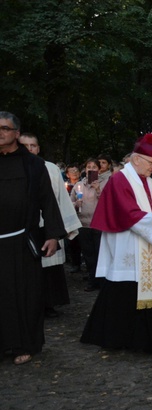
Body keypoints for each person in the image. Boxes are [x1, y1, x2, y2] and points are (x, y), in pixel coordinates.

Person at [81, 133, 152, 355]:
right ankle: (119, 338)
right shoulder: (120, 180)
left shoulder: (149, 181)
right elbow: (130, 214)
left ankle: (148, 340)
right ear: (136, 159)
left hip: (148, 245)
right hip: (127, 246)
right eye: (151, 163)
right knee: (124, 291)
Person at [0, 111, 65, 365]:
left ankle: (24, 344)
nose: (0, 133)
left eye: (5, 128)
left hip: (21, 239)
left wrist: (52, 235)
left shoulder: (34, 165)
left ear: (16, 133)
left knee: (25, 295)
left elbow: (47, 200)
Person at [19, 133, 81, 318]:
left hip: (48, 224)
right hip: (22, 227)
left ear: (38, 148)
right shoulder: (12, 167)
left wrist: (66, 225)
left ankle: (49, 304)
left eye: (33, 146)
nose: (30, 149)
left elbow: (60, 197)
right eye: (25, 145)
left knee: (50, 267)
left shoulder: (51, 168)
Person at [71, 158, 111, 292]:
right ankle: (92, 279)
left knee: (100, 252)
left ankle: (102, 280)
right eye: (89, 167)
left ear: (99, 170)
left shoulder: (105, 183)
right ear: (85, 169)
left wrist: (98, 190)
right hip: (84, 224)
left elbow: (108, 203)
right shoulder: (78, 185)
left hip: (98, 224)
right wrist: (76, 204)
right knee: (88, 254)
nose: (91, 169)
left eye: (94, 167)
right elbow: (70, 203)